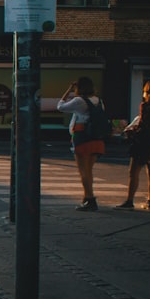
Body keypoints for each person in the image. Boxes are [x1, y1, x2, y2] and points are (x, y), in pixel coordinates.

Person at [116, 80, 150, 210]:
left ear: (148, 93)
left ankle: (129, 200)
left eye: (145, 91)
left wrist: (129, 131)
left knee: (134, 172)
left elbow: (143, 126)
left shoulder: (145, 106)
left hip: (142, 143)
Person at [57, 77, 105, 211]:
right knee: (89, 170)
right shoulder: (98, 100)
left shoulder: (79, 101)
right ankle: (87, 197)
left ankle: (90, 199)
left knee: (83, 171)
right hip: (97, 139)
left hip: (82, 137)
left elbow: (60, 107)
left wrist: (68, 91)